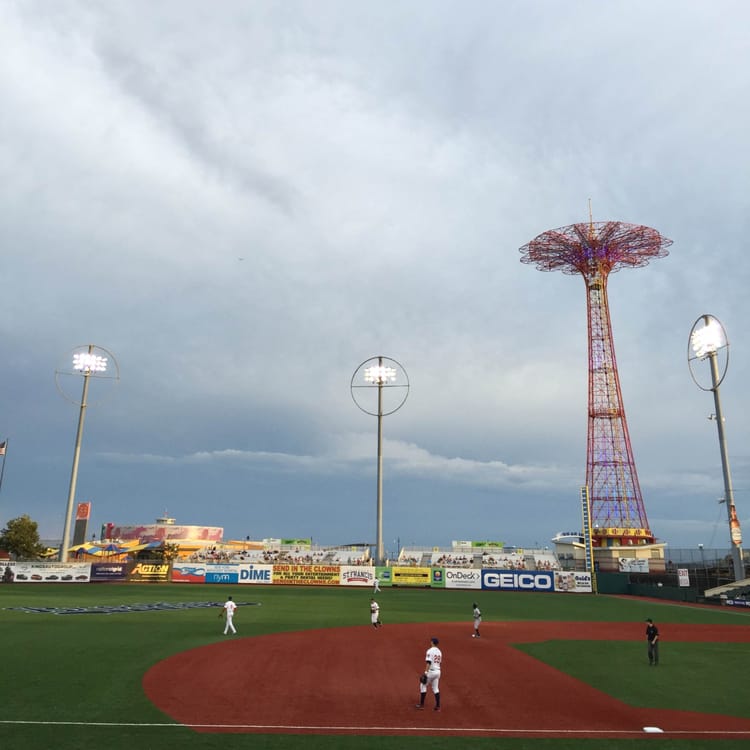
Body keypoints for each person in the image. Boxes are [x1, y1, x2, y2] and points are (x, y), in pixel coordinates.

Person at [416, 637, 442, 711]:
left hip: (431, 671)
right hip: (438, 671)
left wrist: (425, 673)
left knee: (423, 685)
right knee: (435, 688)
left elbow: (429, 662)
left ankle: (421, 705)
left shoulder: (430, 651)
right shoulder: (440, 652)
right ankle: (438, 706)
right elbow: (440, 663)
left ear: (432, 642)